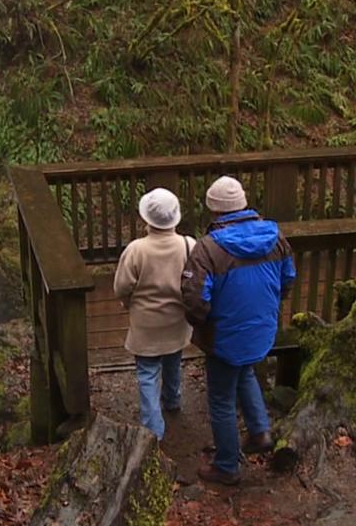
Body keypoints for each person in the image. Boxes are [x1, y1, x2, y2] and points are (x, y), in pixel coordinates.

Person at [182, 176, 295, 485]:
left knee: (220, 399)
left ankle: (227, 465)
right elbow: (288, 278)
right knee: (244, 372)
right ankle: (260, 432)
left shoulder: (207, 249)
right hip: (261, 328)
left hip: (225, 335)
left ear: (214, 210)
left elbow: (194, 299)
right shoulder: (275, 236)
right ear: (243, 204)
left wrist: (202, 324)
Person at [114, 188, 196, 441]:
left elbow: (121, 286)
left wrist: (128, 303)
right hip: (177, 320)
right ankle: (172, 400)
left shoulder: (136, 250)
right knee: (173, 359)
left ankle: (153, 431)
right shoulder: (188, 245)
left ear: (146, 219)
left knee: (147, 374)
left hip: (146, 323)